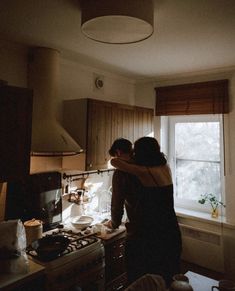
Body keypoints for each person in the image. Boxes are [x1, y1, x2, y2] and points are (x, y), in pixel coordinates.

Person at [108, 136, 182, 288]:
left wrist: (114, 223)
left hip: (146, 236)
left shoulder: (142, 171)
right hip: (171, 231)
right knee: (167, 278)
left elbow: (114, 162)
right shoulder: (164, 167)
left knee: (139, 280)